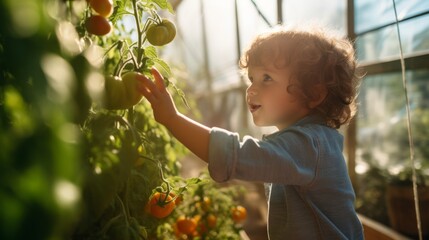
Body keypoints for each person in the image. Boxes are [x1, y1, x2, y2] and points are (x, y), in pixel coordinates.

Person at [137, 24, 364, 239]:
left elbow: (237, 155)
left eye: (267, 78)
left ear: (314, 93)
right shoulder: (310, 140)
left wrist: (172, 119)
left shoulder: (310, 145)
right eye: (251, 78)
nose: (251, 89)